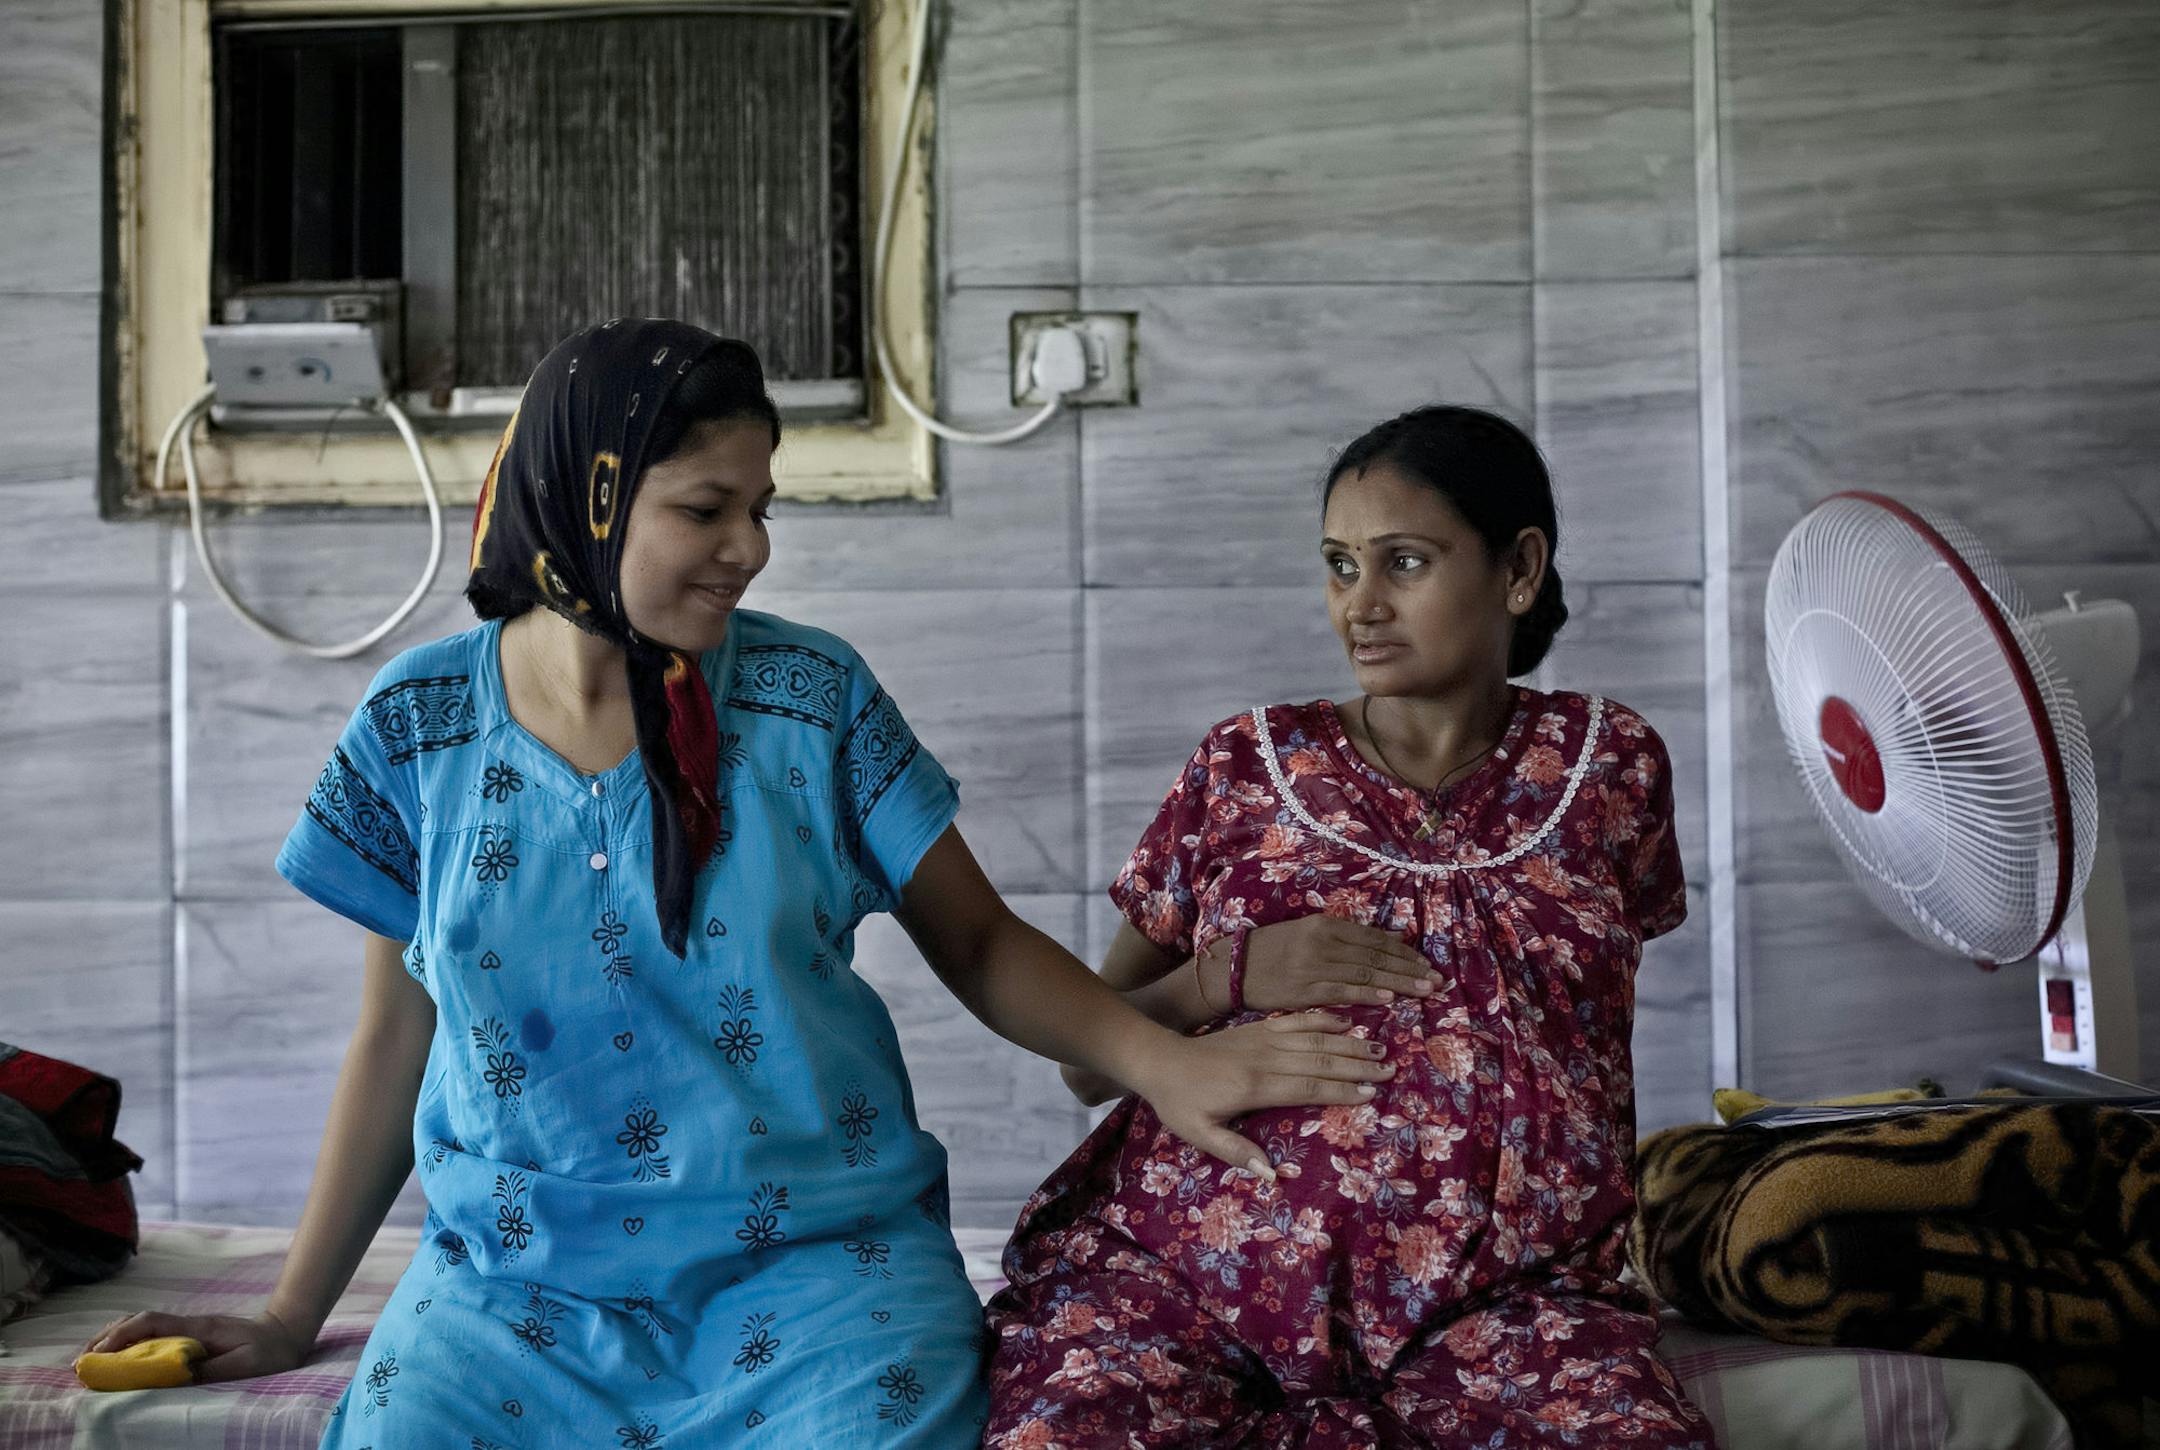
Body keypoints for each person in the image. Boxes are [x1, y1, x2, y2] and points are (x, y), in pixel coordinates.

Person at [82, 320, 1392, 1446]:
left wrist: (1167, 1062)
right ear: (587, 497)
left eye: (762, 509)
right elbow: (396, 1031)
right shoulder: (418, 728)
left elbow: (981, 944)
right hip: (517, 1286)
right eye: (705, 510)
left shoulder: (809, 698)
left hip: (819, 1268)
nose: (749, 548)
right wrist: (289, 1313)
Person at [984, 405, 1715, 1448]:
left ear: (1519, 568)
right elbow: (1084, 1065)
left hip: (1508, 1311)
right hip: (1187, 1288)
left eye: (1403, 563)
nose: (1359, 606)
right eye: (1339, 566)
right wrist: (1224, 975)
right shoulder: (1244, 764)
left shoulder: (1610, 765)